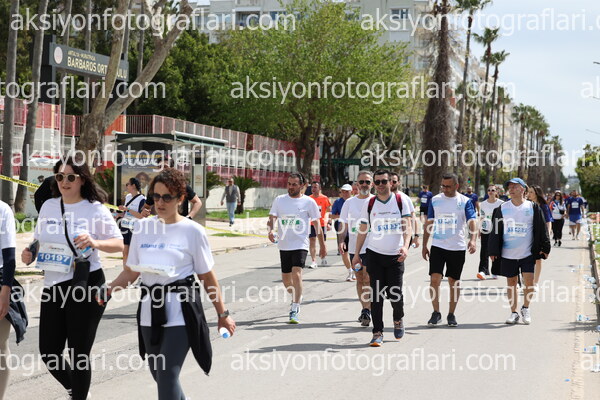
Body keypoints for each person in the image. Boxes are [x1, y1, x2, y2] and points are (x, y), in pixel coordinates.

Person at [106, 168, 235, 400]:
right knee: (160, 375)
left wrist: (222, 314)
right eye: (156, 196)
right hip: (149, 312)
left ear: (180, 198)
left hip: (181, 313)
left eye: (167, 197)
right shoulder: (142, 228)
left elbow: (207, 277)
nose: (160, 202)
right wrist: (107, 290)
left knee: (166, 376)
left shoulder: (193, 231)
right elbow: (131, 272)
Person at [21, 156, 124, 400]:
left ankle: (79, 395)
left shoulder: (94, 208)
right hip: (53, 284)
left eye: (70, 177)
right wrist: (30, 252)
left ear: (82, 179)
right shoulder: (49, 206)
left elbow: (119, 244)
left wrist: (95, 242)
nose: (64, 182)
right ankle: (76, 390)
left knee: (78, 353)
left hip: (85, 282)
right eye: (59, 177)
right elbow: (39, 240)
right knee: (49, 351)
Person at [352, 170, 412, 346]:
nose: (380, 185)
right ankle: (377, 332)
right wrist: (356, 254)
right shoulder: (370, 203)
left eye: (383, 181)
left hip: (395, 257)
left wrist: (405, 246)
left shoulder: (400, 201)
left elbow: (407, 226)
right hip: (374, 255)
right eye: (377, 182)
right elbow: (363, 230)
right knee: (376, 296)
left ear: (390, 183)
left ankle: (398, 319)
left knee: (395, 295)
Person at [488, 178, 551, 325]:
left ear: (523, 189)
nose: (511, 189)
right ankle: (514, 312)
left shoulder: (533, 207)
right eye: (509, 187)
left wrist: (545, 247)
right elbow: (495, 230)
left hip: (527, 253)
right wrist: (493, 250)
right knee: (511, 282)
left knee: (529, 282)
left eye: (514, 187)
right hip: (508, 253)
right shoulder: (502, 208)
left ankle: (526, 308)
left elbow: (542, 229)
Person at [268, 173, 326, 324]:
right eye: (289, 184)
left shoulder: (309, 202)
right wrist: (270, 230)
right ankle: (297, 296)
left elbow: (317, 224)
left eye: (294, 184)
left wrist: (322, 245)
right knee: (286, 280)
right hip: (284, 245)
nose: (291, 187)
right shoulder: (279, 200)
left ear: (302, 186)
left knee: (297, 274)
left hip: (300, 244)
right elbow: (272, 218)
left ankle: (295, 308)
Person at [422, 173, 477, 327]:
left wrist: (473, 239)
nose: (445, 189)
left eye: (448, 186)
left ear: (456, 186)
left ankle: (451, 314)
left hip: (457, 247)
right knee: (435, 279)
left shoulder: (465, 201)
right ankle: (436, 312)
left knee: (454, 281)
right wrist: (424, 245)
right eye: (443, 186)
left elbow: (472, 221)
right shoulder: (435, 200)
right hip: (438, 246)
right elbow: (429, 223)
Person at [339, 172, 374, 326]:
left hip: (373, 247)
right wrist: (341, 241)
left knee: (367, 278)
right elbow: (343, 224)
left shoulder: (375, 201)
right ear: (357, 184)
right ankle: (365, 309)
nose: (364, 184)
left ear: (372, 184)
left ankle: (367, 309)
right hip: (355, 248)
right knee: (359, 278)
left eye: (367, 182)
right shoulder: (349, 203)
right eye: (362, 182)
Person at [0, 197, 25, 400]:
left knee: (0, 345)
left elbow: (9, 257)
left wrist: (5, 291)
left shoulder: (2, 210)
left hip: (0, 281)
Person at [527, 185, 552, 291]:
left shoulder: (543, 206)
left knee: (538, 260)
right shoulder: (527, 205)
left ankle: (535, 283)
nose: (529, 194)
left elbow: (548, 221)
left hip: (539, 235)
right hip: (527, 235)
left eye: (531, 192)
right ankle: (526, 280)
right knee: (526, 258)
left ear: (536, 194)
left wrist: (547, 235)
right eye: (528, 192)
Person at [117, 178, 146, 268]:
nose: (126, 186)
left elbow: (141, 216)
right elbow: (126, 213)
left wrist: (128, 209)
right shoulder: (128, 197)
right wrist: (119, 214)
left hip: (135, 228)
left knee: (134, 253)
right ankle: (125, 271)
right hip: (125, 226)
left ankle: (136, 272)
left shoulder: (142, 199)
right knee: (124, 251)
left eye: (128, 184)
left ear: (133, 186)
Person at [477, 185, 504, 280]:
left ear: (496, 192)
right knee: (484, 250)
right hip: (486, 228)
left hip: (497, 230)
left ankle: (495, 271)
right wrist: (479, 229)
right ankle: (483, 270)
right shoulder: (483, 204)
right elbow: (482, 217)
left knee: (496, 250)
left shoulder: (501, 203)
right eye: (489, 190)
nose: (490, 192)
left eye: (492, 190)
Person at [391, 172, 420, 248]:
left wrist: (416, 236)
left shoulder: (405, 198)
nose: (391, 183)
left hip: (403, 238)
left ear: (399, 182)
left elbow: (413, 218)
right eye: (389, 181)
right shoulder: (381, 199)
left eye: (394, 181)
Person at [331, 184, 354, 281]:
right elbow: (332, 216)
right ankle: (350, 271)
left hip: (354, 230)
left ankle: (355, 271)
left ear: (351, 192)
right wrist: (343, 217)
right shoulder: (337, 202)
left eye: (347, 191)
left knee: (354, 252)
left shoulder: (355, 201)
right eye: (343, 191)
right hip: (342, 229)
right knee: (344, 252)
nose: (344, 193)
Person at [308, 181, 331, 268]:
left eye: (315, 187)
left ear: (319, 188)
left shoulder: (324, 198)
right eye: (312, 187)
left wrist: (328, 222)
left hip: (322, 224)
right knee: (312, 240)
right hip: (311, 223)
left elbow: (329, 211)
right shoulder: (309, 199)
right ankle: (313, 261)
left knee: (322, 242)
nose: (313, 189)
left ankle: (323, 257)